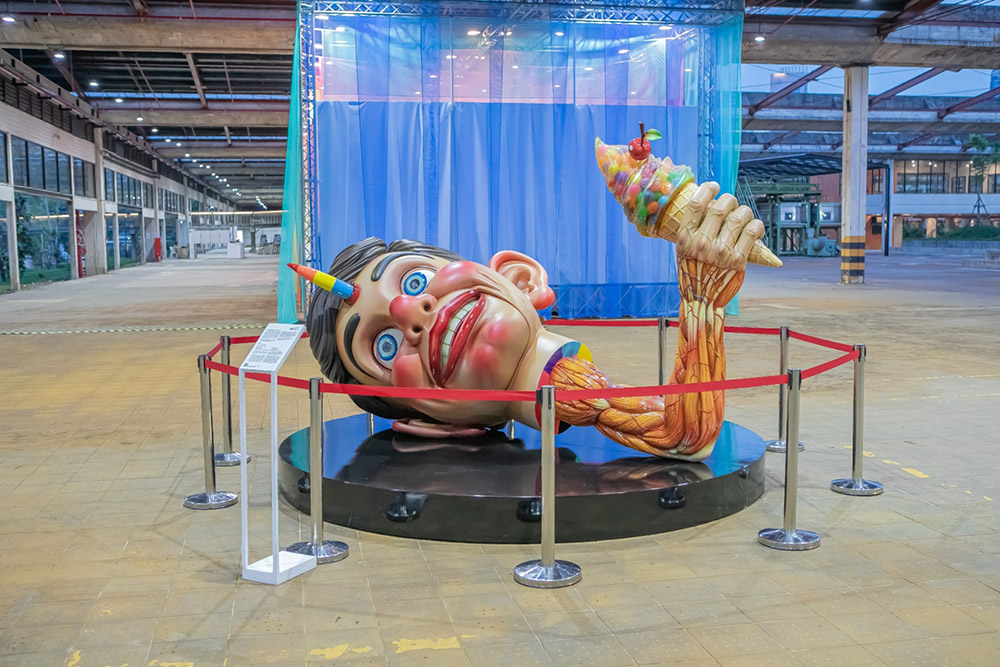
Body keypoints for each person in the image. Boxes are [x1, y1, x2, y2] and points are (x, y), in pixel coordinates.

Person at [305, 175, 764, 462]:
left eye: (414, 280)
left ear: (518, 276)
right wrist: (702, 301)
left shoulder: (579, 389)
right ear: (427, 422)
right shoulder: (577, 396)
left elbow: (684, 435)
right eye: (384, 347)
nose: (409, 311)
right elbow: (684, 436)